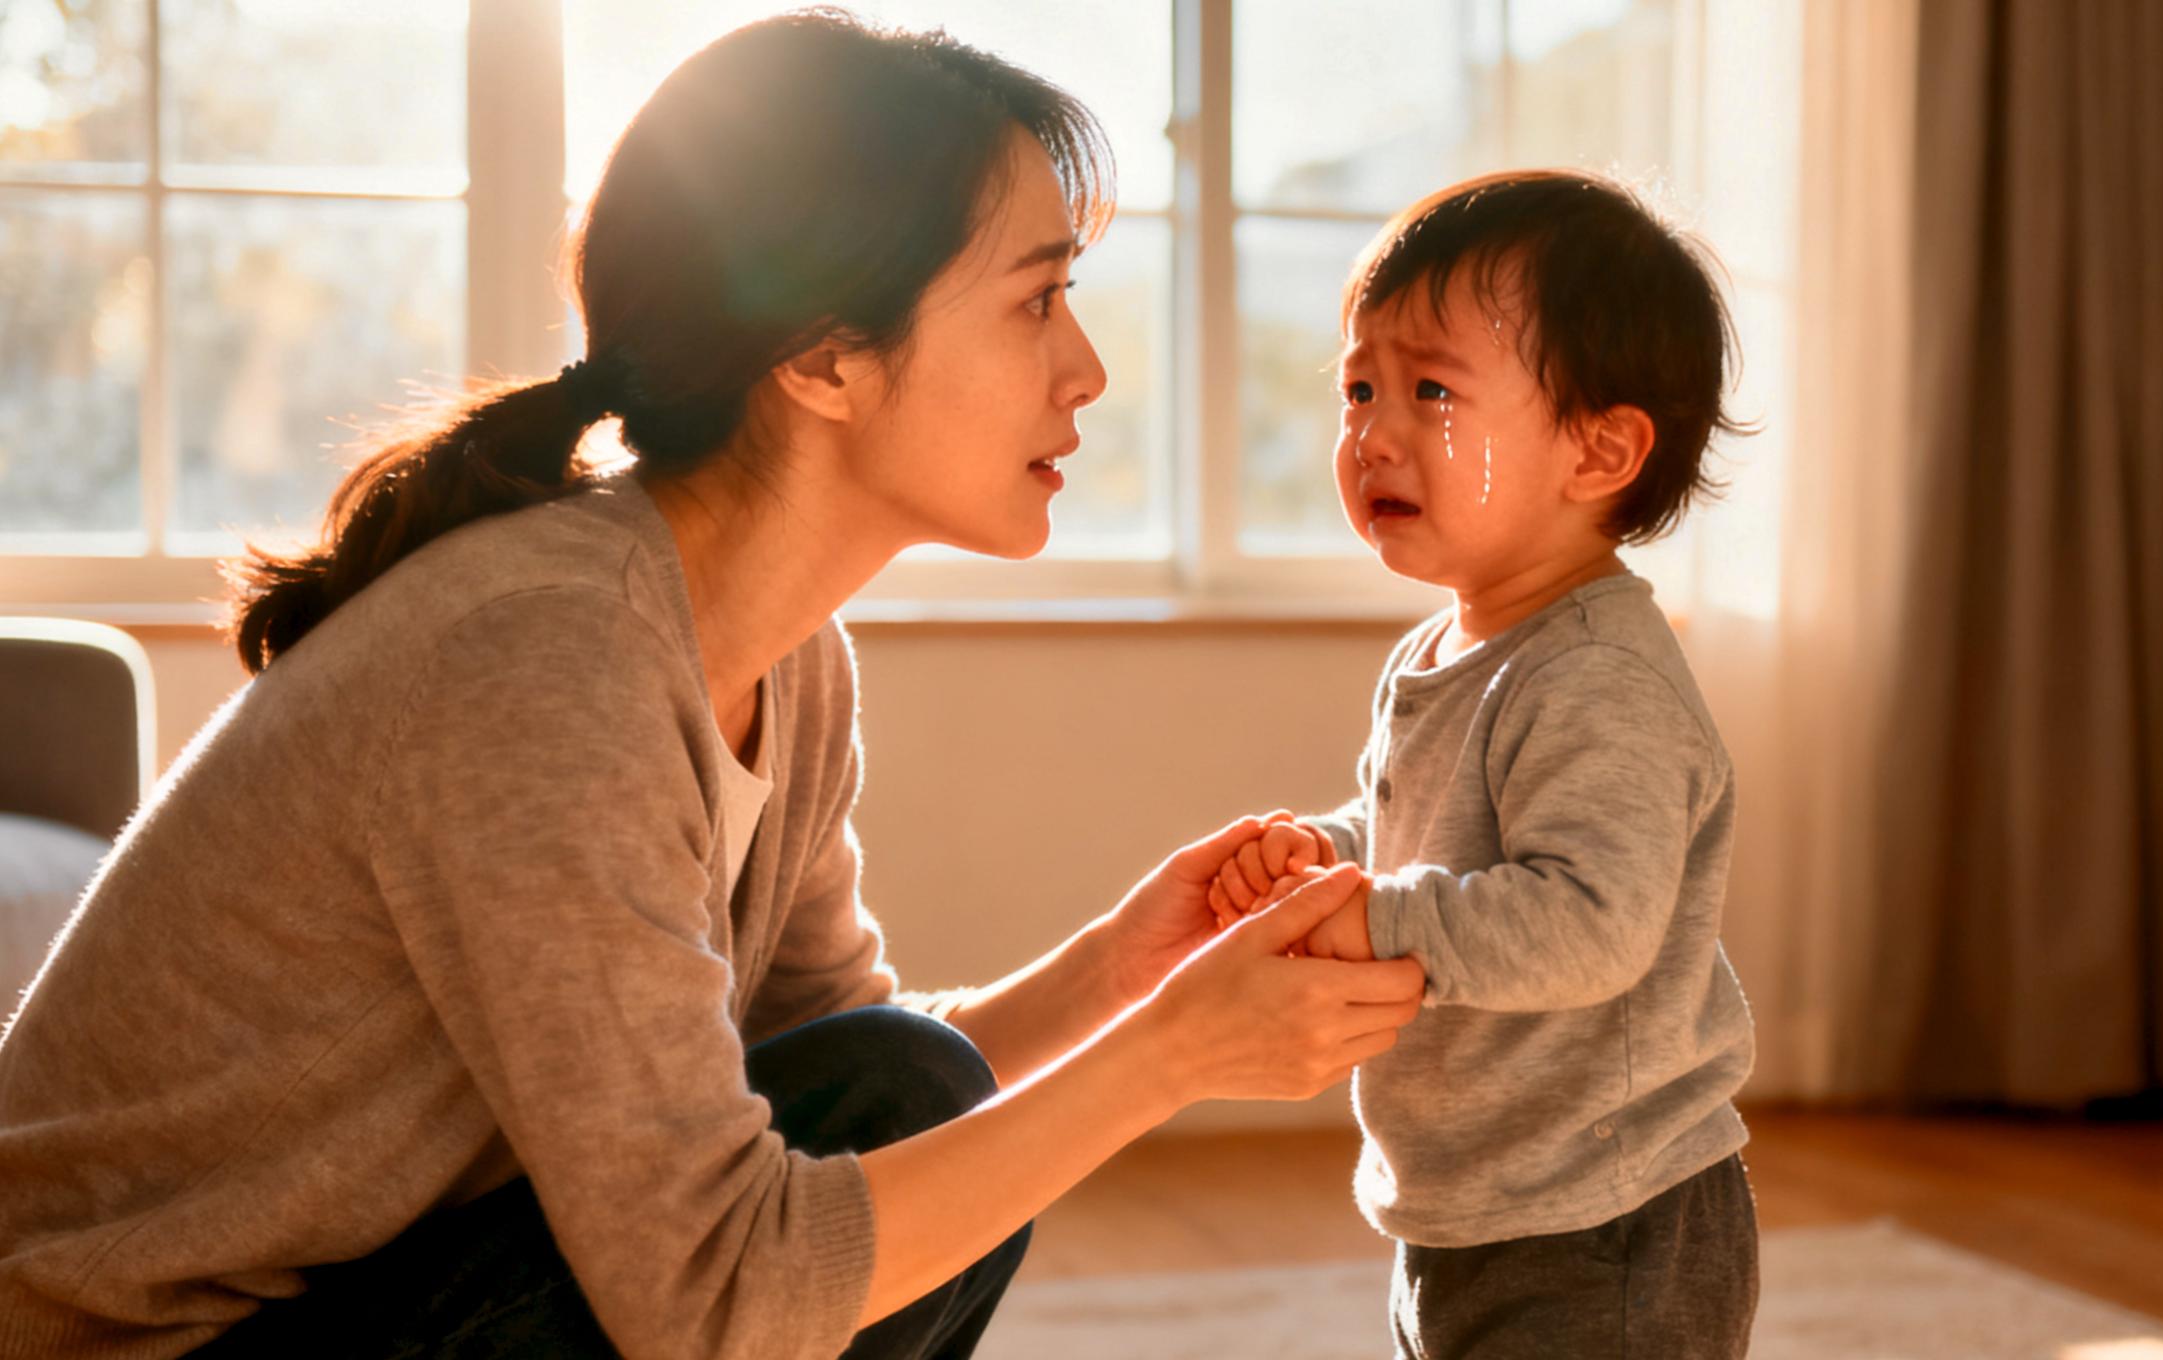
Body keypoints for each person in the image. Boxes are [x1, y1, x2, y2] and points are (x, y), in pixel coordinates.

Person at [0, 12, 1426, 1359]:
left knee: (908, 1104)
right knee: (907, 1139)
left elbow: (825, 1069)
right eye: (1037, 299)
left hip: (363, 1300)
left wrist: (1122, 977)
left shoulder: (784, 656)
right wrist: (1171, 1057)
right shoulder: (542, 663)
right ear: (823, 358)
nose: (1088, 369)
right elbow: (715, 1298)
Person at [1206, 170, 1761, 1358]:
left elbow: (1588, 923)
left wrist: (1372, 919)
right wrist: (1329, 857)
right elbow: (1430, 838)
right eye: (1359, 387)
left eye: (1432, 391)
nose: (1373, 431)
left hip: (1608, 1215)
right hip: (1478, 1190)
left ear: (1598, 449)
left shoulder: (1599, 677)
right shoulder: (1449, 645)